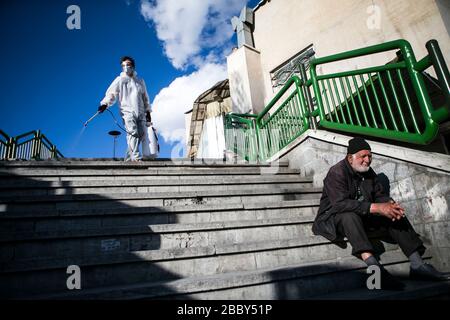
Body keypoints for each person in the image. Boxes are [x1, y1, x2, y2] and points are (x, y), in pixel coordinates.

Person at [312, 137, 449, 289]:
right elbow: (339, 204)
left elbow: (379, 195)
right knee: (348, 214)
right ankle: (375, 270)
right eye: (363, 156)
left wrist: (389, 205)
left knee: (392, 212)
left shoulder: (369, 172)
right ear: (350, 158)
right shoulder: (336, 172)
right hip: (334, 218)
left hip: (363, 217)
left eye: (370, 155)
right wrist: (377, 208)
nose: (367, 160)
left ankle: (418, 265)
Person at [98, 56, 152, 161]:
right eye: (123, 65)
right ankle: (136, 158)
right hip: (127, 110)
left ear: (133, 66)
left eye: (128, 64)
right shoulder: (120, 80)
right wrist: (105, 104)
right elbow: (111, 93)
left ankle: (128, 159)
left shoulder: (140, 81)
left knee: (140, 134)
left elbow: (145, 97)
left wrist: (148, 111)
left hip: (140, 111)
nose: (126, 67)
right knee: (132, 132)